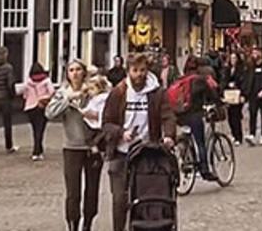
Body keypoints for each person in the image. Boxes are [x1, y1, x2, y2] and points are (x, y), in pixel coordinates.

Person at [103, 53, 177, 231]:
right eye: (135, 71)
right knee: (120, 200)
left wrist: (168, 135)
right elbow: (106, 123)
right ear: (128, 71)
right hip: (121, 153)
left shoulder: (157, 93)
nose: (139, 75)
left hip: (147, 154)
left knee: (147, 198)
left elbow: (167, 116)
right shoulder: (118, 93)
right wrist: (121, 133)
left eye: (142, 70)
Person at [46, 60, 101, 231]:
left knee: (92, 189)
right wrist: (68, 100)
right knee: (73, 191)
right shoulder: (63, 93)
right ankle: (72, 223)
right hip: (71, 147)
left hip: (93, 147)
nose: (75, 73)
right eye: (71, 70)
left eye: (78, 69)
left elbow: (106, 109)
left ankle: (88, 223)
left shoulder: (93, 91)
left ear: (84, 72)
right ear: (67, 74)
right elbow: (50, 113)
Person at [173, 56, 219, 181]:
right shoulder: (199, 80)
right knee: (200, 142)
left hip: (179, 115)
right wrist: (219, 103)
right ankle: (204, 169)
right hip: (194, 115)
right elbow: (213, 95)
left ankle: (185, 155)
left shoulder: (180, 79)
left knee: (187, 135)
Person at [22, 62, 55, 162]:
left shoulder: (28, 82)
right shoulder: (46, 80)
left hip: (30, 108)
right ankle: (36, 152)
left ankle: (39, 150)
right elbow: (52, 92)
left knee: (35, 129)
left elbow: (24, 95)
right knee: (40, 130)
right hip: (41, 107)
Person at [221, 51, 247, 146]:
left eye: (235, 58)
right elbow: (223, 80)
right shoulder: (227, 69)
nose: (233, 60)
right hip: (229, 94)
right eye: (231, 58)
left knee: (236, 116)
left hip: (237, 94)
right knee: (230, 116)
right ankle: (233, 134)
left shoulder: (242, 69)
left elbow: (244, 81)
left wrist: (243, 94)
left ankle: (238, 136)